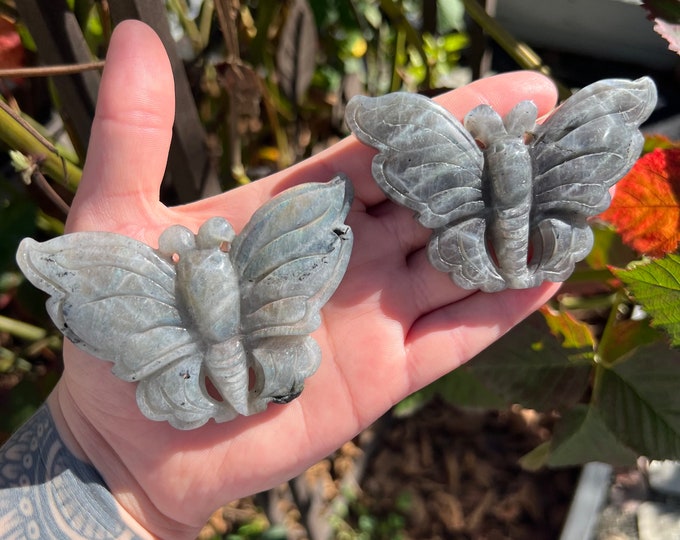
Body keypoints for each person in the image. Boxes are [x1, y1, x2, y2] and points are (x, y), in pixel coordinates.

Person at [0, 20, 560, 540]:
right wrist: (100, 456)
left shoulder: (157, 269)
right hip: (246, 347)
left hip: (189, 369)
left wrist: (97, 463)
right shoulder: (276, 238)